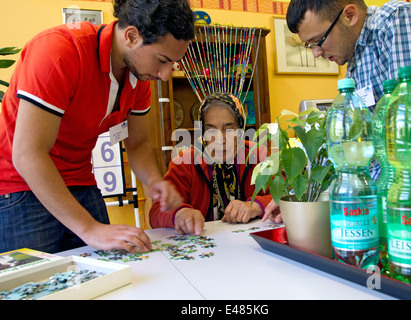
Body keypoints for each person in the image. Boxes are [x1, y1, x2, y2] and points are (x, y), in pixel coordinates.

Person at [0, 0, 195, 254]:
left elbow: (137, 144)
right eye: (162, 60)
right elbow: (27, 155)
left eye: (174, 64)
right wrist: (90, 229)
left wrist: (154, 180)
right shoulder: (58, 51)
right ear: (132, 36)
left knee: (105, 272)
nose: (166, 74)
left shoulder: (137, 77)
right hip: (21, 187)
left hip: (81, 180)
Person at [284, 0, 411, 211]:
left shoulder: (399, 20)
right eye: (310, 46)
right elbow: (351, 149)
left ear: (350, 16)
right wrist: (296, 196)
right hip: (390, 208)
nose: (317, 53)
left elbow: (407, 129)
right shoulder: (356, 60)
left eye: (318, 41)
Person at [149, 92, 273, 235]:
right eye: (211, 130)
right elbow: (156, 212)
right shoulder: (184, 164)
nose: (220, 139)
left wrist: (257, 205)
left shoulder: (258, 155)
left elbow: (289, 193)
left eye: (229, 128)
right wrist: (179, 213)